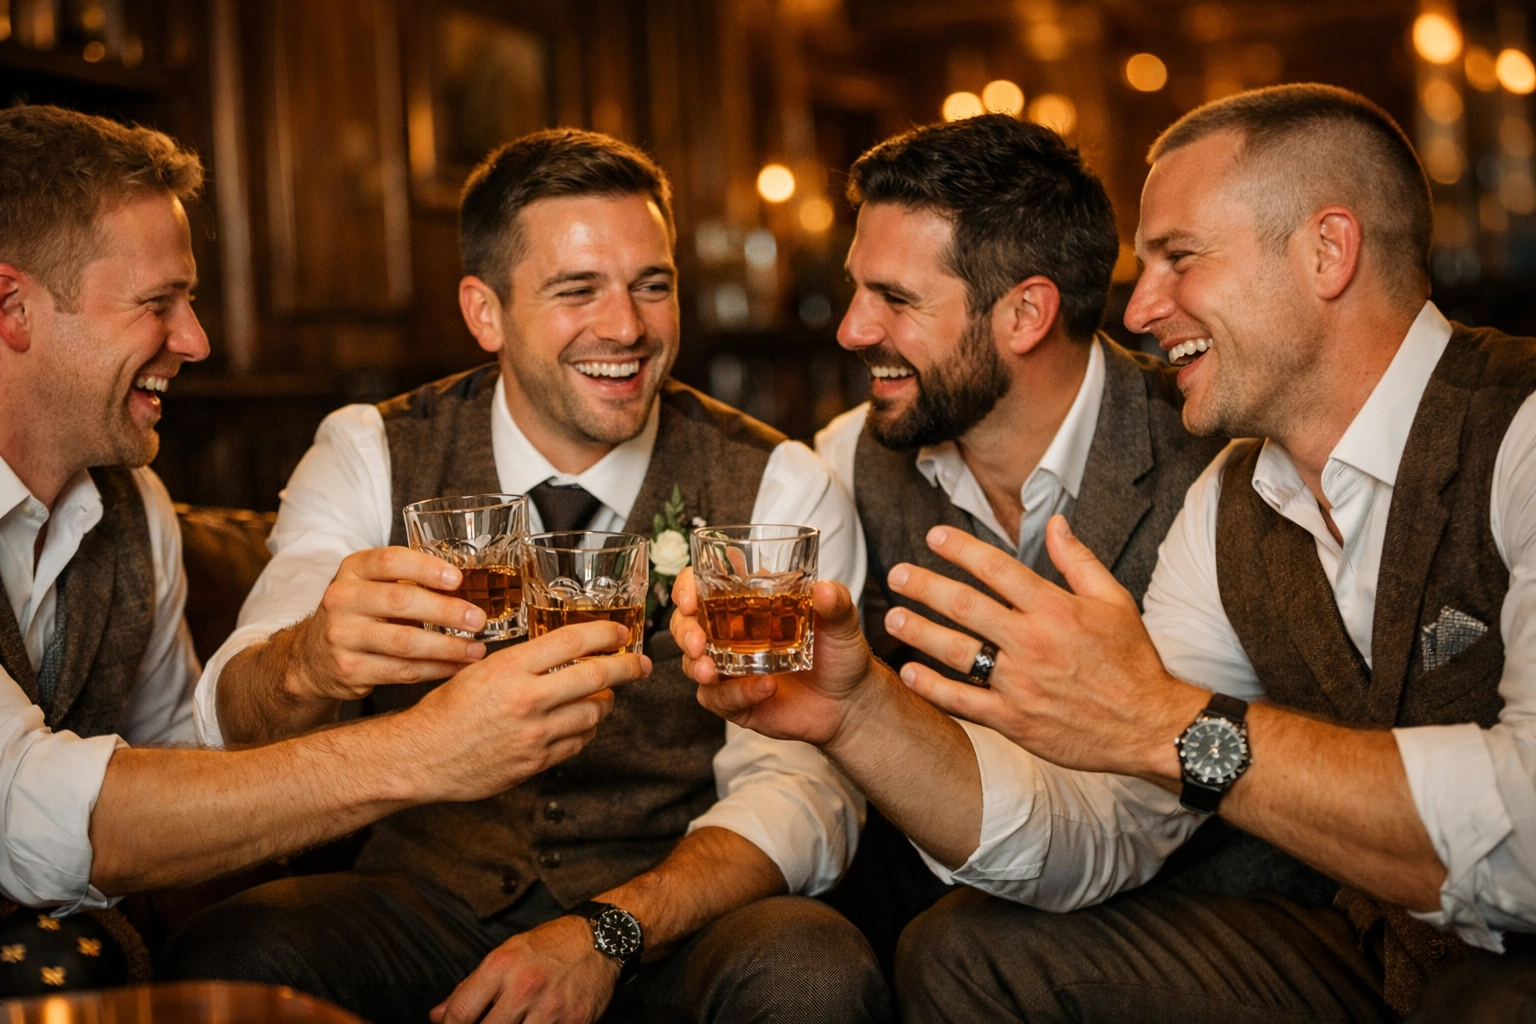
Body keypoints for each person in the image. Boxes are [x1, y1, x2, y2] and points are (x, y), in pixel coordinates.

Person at [678, 82, 1536, 1022]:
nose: (1138, 309)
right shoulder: (1235, 500)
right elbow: (1103, 822)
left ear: (1327, 251)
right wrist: (858, 715)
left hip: (1486, 955)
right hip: (1357, 950)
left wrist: (1163, 723)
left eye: (1178, 259)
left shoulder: (1518, 431)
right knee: (961, 949)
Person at [164, 129, 886, 1024]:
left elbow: (804, 790)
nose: (626, 327)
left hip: (670, 917)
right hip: (422, 907)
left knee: (811, 966)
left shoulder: (780, 484)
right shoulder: (371, 452)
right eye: (576, 290)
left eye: (652, 286)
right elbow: (236, 717)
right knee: (238, 948)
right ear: (485, 311)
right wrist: (310, 661)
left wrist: (608, 934)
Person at [0, 105, 644, 937]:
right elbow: (24, 815)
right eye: (158, 302)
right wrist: (421, 750)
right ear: (12, 308)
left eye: (189, 299)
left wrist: (313, 681)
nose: (195, 339)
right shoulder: (359, 447)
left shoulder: (132, 507)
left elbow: (198, 770)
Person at [810, 112, 1224, 960]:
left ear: (1026, 313)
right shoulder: (845, 460)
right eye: (857, 290)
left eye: (894, 299)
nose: (852, 329)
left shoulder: (1210, 462)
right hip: (926, 931)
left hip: (1183, 936)